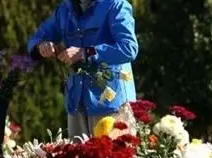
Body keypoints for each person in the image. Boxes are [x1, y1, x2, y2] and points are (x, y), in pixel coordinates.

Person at [27, 0, 139, 139]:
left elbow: (129, 49)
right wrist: (41, 45)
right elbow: (36, 38)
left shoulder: (116, 5)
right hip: (76, 101)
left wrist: (86, 52)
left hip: (111, 104)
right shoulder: (64, 9)